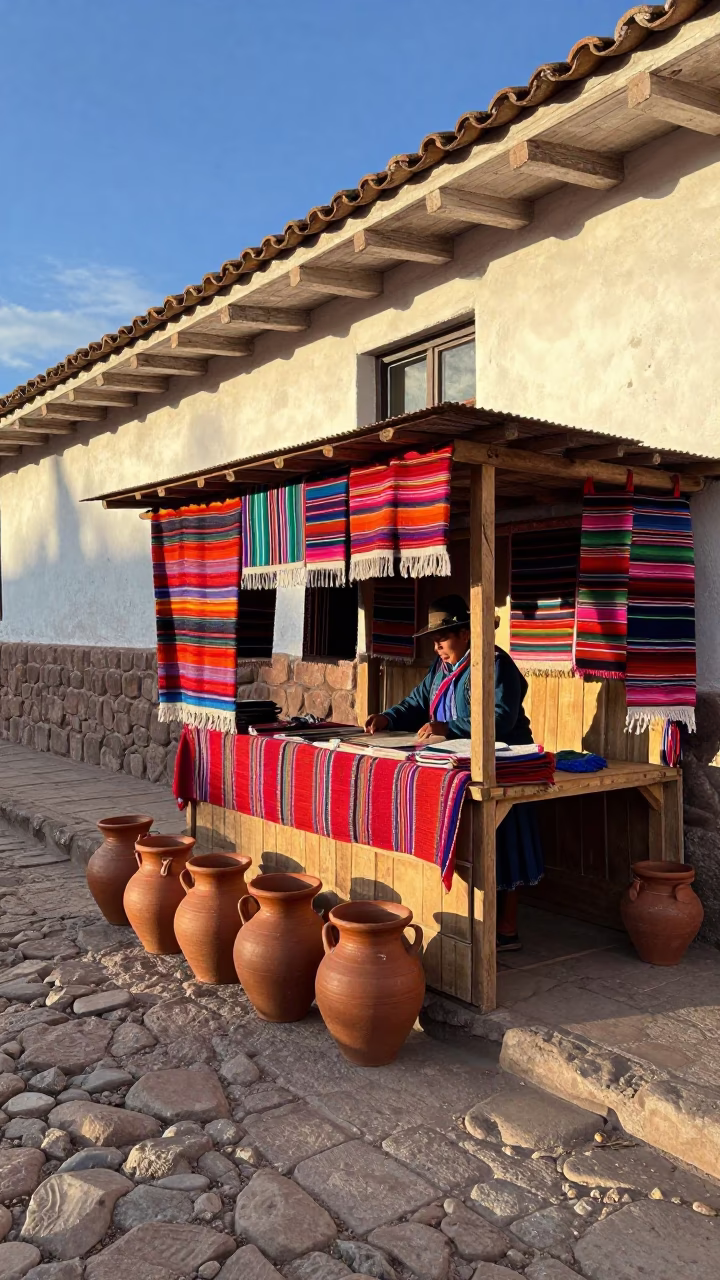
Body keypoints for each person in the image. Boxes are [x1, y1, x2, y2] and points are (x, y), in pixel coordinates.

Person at [365, 594, 543, 950]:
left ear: (464, 633)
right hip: (456, 762)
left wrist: (447, 727)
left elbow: (500, 718)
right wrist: (388, 717)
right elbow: (417, 703)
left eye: (442, 639)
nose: (437, 647)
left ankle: (506, 928)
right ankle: (466, 920)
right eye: (434, 640)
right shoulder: (441, 670)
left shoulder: (495, 664)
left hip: (504, 763)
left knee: (506, 843)